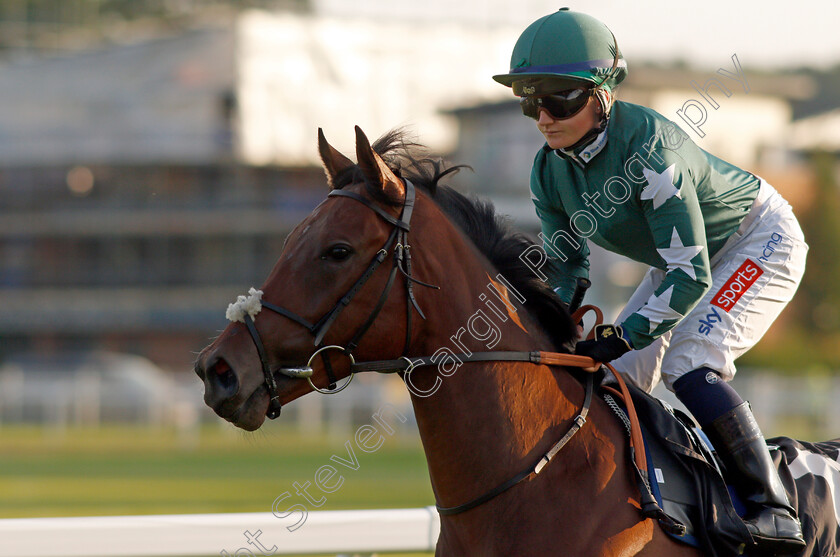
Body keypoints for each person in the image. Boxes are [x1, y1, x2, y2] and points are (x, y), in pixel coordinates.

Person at [494, 8, 808, 555]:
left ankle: (772, 506)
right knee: (617, 376)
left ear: (603, 93)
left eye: (559, 97)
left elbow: (691, 276)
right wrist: (555, 329)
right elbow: (568, 268)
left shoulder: (651, 152)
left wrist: (623, 330)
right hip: (682, 258)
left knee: (690, 357)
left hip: (758, 238)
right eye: (529, 99)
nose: (543, 116)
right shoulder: (548, 171)